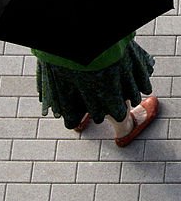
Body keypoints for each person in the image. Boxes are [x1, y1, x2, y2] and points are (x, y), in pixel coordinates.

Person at [32, 32, 160, 147]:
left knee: (67, 90)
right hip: (101, 59)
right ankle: (125, 130)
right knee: (113, 95)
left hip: (51, 54)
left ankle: (78, 120)